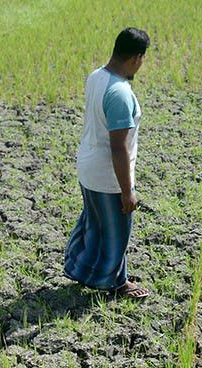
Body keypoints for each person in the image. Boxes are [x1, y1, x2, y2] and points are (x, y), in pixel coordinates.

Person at [63, 27, 150, 299]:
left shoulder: (96, 76)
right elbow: (119, 148)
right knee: (116, 235)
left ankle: (82, 270)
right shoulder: (121, 94)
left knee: (95, 226)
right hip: (107, 176)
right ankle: (117, 284)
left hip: (88, 168)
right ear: (136, 58)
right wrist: (127, 191)